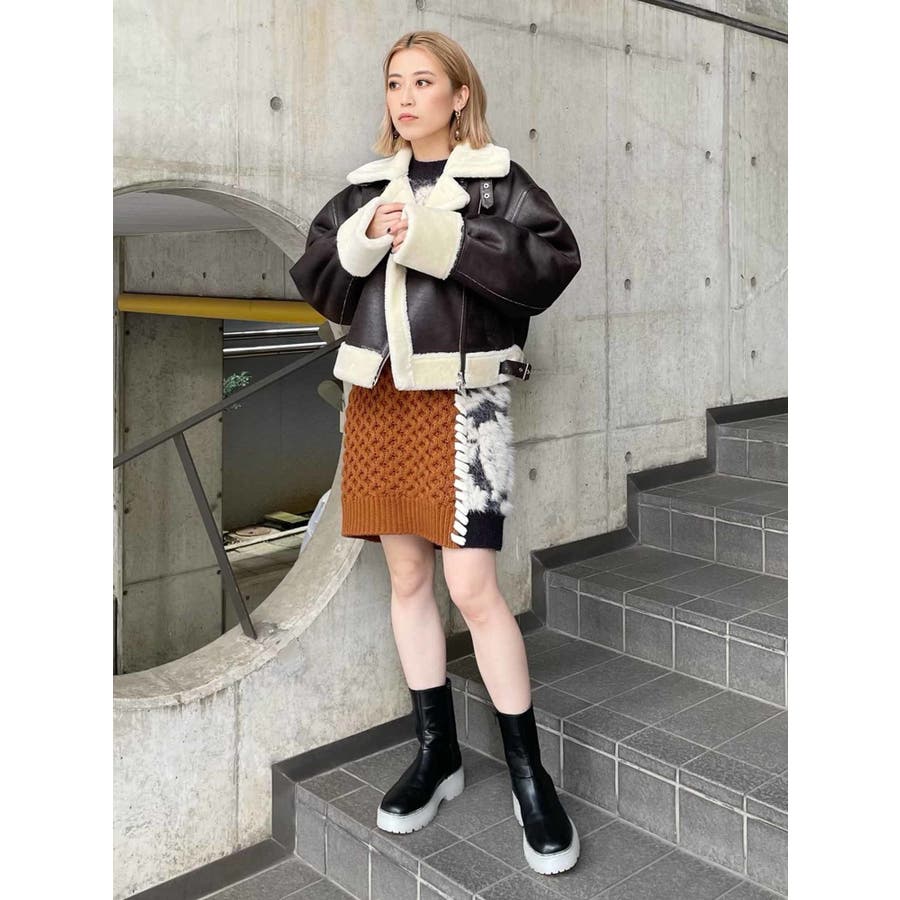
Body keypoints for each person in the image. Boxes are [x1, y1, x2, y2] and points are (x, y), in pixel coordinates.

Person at [289, 30, 582, 876]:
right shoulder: (363, 188)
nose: (406, 97)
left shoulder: (498, 182)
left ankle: (529, 776)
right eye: (395, 83)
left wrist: (431, 236)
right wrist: (365, 236)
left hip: (464, 403)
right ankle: (438, 752)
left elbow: (550, 265)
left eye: (424, 82)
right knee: (408, 579)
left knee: (473, 588)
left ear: (459, 95)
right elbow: (318, 280)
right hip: (380, 400)